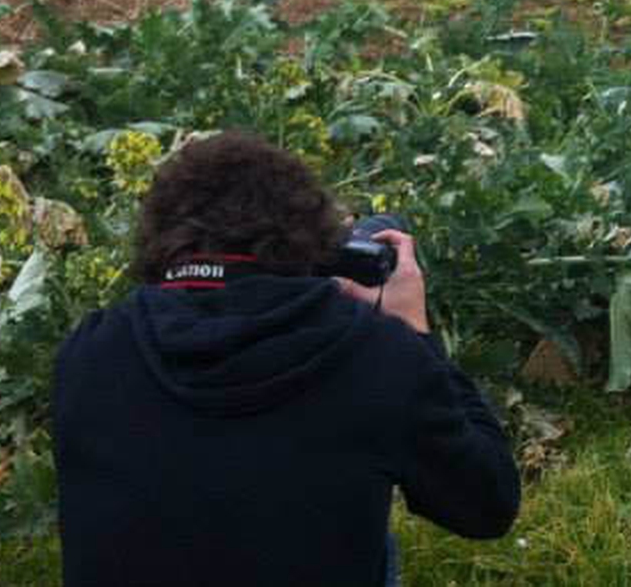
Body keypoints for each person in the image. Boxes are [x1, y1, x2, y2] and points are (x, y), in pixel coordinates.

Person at [52, 131, 520, 585]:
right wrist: (414, 331)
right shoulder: (372, 352)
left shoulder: (90, 349)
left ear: (162, 238)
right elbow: (488, 504)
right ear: (314, 244)